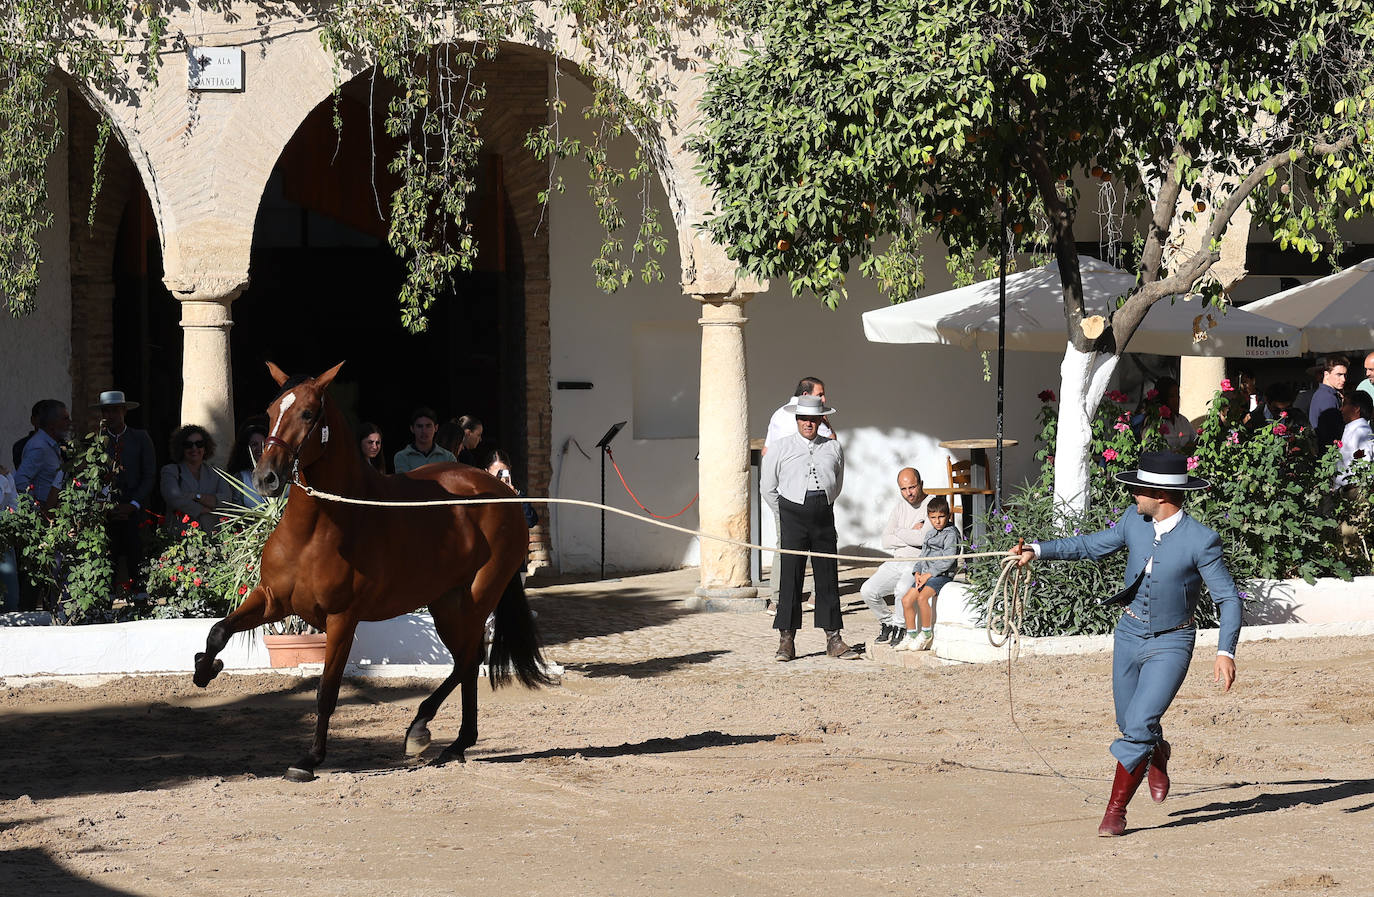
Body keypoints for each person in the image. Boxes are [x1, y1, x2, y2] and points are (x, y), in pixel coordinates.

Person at [1010, 451, 1240, 837]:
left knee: (1137, 726)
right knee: (1129, 720)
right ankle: (1157, 753)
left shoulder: (1202, 540)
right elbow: (1091, 545)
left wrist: (1224, 651)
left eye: (1137, 489)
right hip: (1129, 634)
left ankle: (1115, 811)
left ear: (1160, 494)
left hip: (1172, 642)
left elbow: (1229, 598)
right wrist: (1039, 549)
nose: (1132, 494)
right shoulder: (1135, 521)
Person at [760, 392, 859, 661]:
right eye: (803, 418)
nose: (808, 423)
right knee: (790, 577)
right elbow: (767, 487)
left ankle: (833, 638)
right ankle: (786, 640)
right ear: (797, 419)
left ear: (820, 420)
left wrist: (823, 502)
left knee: (827, 576)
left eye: (813, 419)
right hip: (792, 513)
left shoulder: (833, 447)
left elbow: (836, 484)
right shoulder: (781, 447)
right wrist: (783, 513)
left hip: (823, 513)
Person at [762, 377, 835, 599]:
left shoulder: (778, 414)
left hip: (801, 496)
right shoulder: (805, 420)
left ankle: (784, 597)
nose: (824, 398)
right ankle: (785, 597)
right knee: (793, 545)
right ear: (805, 396)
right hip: (793, 496)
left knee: (792, 544)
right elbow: (827, 446)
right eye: (820, 394)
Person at [861, 467, 936, 646]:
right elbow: (886, 540)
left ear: (921, 484)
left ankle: (901, 627)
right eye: (903, 489)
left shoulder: (932, 504)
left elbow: (922, 539)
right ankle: (887, 622)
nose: (909, 493)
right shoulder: (899, 508)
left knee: (902, 589)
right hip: (896, 560)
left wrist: (899, 532)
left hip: (917, 562)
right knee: (868, 590)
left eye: (912, 487)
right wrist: (909, 532)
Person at [94, 390, 157, 587]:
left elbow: (149, 475)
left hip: (134, 512)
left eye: (114, 411)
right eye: (105, 411)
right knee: (106, 564)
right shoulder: (96, 442)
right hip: (106, 513)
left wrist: (133, 504)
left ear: (123, 411)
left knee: (138, 563)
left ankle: (141, 602)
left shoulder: (140, 438)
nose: (109, 416)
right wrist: (106, 506)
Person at [897, 495, 961, 652]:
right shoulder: (930, 534)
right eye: (933, 518)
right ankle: (911, 634)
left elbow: (948, 559)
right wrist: (917, 572)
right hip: (925, 574)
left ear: (948, 516)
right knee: (906, 600)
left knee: (922, 598)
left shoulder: (951, 534)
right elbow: (923, 555)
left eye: (941, 517)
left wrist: (929, 574)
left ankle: (926, 633)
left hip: (941, 575)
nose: (937, 521)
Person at [160, 424, 233, 532]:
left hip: (212, 538)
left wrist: (195, 496)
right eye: (188, 445)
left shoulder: (216, 473)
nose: (194, 448)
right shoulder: (170, 471)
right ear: (181, 447)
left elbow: (226, 500)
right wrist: (201, 509)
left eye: (199, 444)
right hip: (180, 539)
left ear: (205, 447)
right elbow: (173, 498)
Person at [15, 400, 70, 511]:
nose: (69, 422)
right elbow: (20, 481)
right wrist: (38, 509)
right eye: (65, 419)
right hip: (45, 517)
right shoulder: (39, 447)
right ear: (52, 424)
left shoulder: (51, 444)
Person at [394, 407, 456, 474]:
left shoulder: (448, 457)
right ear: (412, 429)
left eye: (428, 426)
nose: (424, 431)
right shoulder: (402, 457)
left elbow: (451, 483)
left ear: (436, 428)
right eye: (419, 426)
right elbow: (404, 483)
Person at [1309, 354, 1350, 449]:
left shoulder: (1324, 394)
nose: (1343, 379)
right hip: (1329, 454)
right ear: (1326, 374)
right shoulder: (1327, 397)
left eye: (1345, 375)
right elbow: (1335, 433)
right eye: (1339, 375)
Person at [225, 421, 269, 507]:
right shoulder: (240, 479)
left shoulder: (283, 476)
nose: (260, 448)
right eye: (254, 444)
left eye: (264, 444)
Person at [1336, 391, 1374, 486]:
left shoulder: (1361, 432)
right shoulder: (1353, 428)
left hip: (1351, 494)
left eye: (1345, 404)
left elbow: (1365, 469)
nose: (1341, 409)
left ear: (1356, 409)